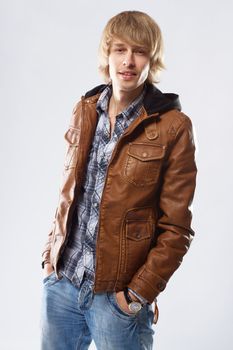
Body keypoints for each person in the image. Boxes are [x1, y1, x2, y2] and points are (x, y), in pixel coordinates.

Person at [41, 10, 197, 350]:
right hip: (62, 285)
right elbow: (67, 193)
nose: (128, 61)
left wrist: (136, 294)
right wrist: (49, 259)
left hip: (117, 301)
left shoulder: (173, 127)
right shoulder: (84, 109)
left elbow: (177, 229)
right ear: (106, 55)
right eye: (120, 49)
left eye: (140, 51)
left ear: (151, 60)